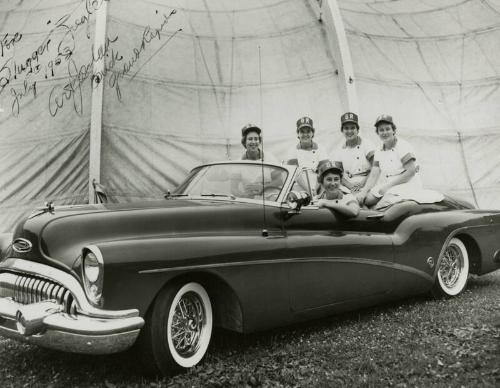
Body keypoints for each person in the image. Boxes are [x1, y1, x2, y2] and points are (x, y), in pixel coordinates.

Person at [357, 114, 422, 208]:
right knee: (365, 200)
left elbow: (411, 172)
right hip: (389, 184)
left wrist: (388, 187)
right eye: (381, 130)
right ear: (377, 133)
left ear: (394, 130)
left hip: (407, 183)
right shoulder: (378, 150)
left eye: (387, 129)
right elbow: (374, 174)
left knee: (382, 206)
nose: (384, 133)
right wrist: (364, 191)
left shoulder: (403, 146)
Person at [335, 112, 375, 200]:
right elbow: (337, 173)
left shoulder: (367, 144)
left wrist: (363, 183)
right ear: (342, 131)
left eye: (352, 128)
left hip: (368, 181)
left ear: (357, 130)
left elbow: (376, 167)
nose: (349, 131)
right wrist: (349, 186)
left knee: (362, 199)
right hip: (349, 184)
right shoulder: (339, 149)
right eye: (346, 128)